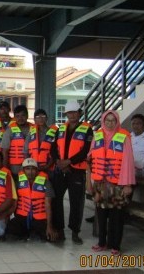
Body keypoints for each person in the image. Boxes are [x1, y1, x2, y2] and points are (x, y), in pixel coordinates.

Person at [89, 110, 135, 255]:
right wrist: (90, 180)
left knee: (117, 217)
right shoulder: (97, 135)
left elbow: (128, 161)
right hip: (100, 183)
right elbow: (91, 158)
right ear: (103, 121)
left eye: (112, 120)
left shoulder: (124, 136)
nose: (110, 123)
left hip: (117, 184)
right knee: (101, 215)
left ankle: (115, 245)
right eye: (107, 120)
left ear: (117, 122)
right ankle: (102, 243)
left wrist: (127, 184)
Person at [51, 100, 93, 244]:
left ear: (79, 113)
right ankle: (60, 230)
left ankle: (75, 232)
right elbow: (53, 149)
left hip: (77, 171)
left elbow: (86, 150)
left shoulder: (87, 129)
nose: (72, 115)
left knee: (77, 202)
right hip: (61, 169)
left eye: (75, 112)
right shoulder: (60, 129)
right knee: (56, 199)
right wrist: (59, 162)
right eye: (69, 113)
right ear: (66, 114)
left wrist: (68, 162)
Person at [7, 158, 57, 242]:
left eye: (33, 169)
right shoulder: (18, 182)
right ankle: (28, 232)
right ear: (23, 170)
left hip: (40, 217)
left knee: (52, 237)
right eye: (27, 169)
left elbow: (48, 205)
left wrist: (49, 226)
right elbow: (13, 202)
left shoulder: (46, 182)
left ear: (37, 170)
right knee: (9, 232)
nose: (30, 172)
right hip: (22, 216)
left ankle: (33, 232)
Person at [0, 105, 32, 180]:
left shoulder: (33, 128)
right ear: (14, 117)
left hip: (31, 167)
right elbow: (4, 151)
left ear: (27, 116)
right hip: (14, 168)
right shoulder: (9, 130)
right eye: (17, 116)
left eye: (23, 115)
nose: (20, 118)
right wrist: (5, 169)